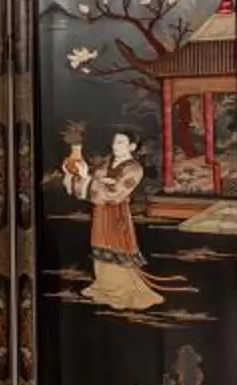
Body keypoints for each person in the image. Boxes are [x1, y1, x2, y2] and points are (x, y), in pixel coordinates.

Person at [60, 130, 165, 312]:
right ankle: (103, 286)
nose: (116, 146)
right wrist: (73, 174)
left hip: (117, 213)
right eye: (115, 142)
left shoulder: (134, 168)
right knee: (99, 244)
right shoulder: (107, 164)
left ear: (132, 146)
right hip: (100, 212)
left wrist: (88, 179)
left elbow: (115, 193)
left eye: (122, 143)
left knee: (116, 246)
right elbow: (91, 182)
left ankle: (121, 293)